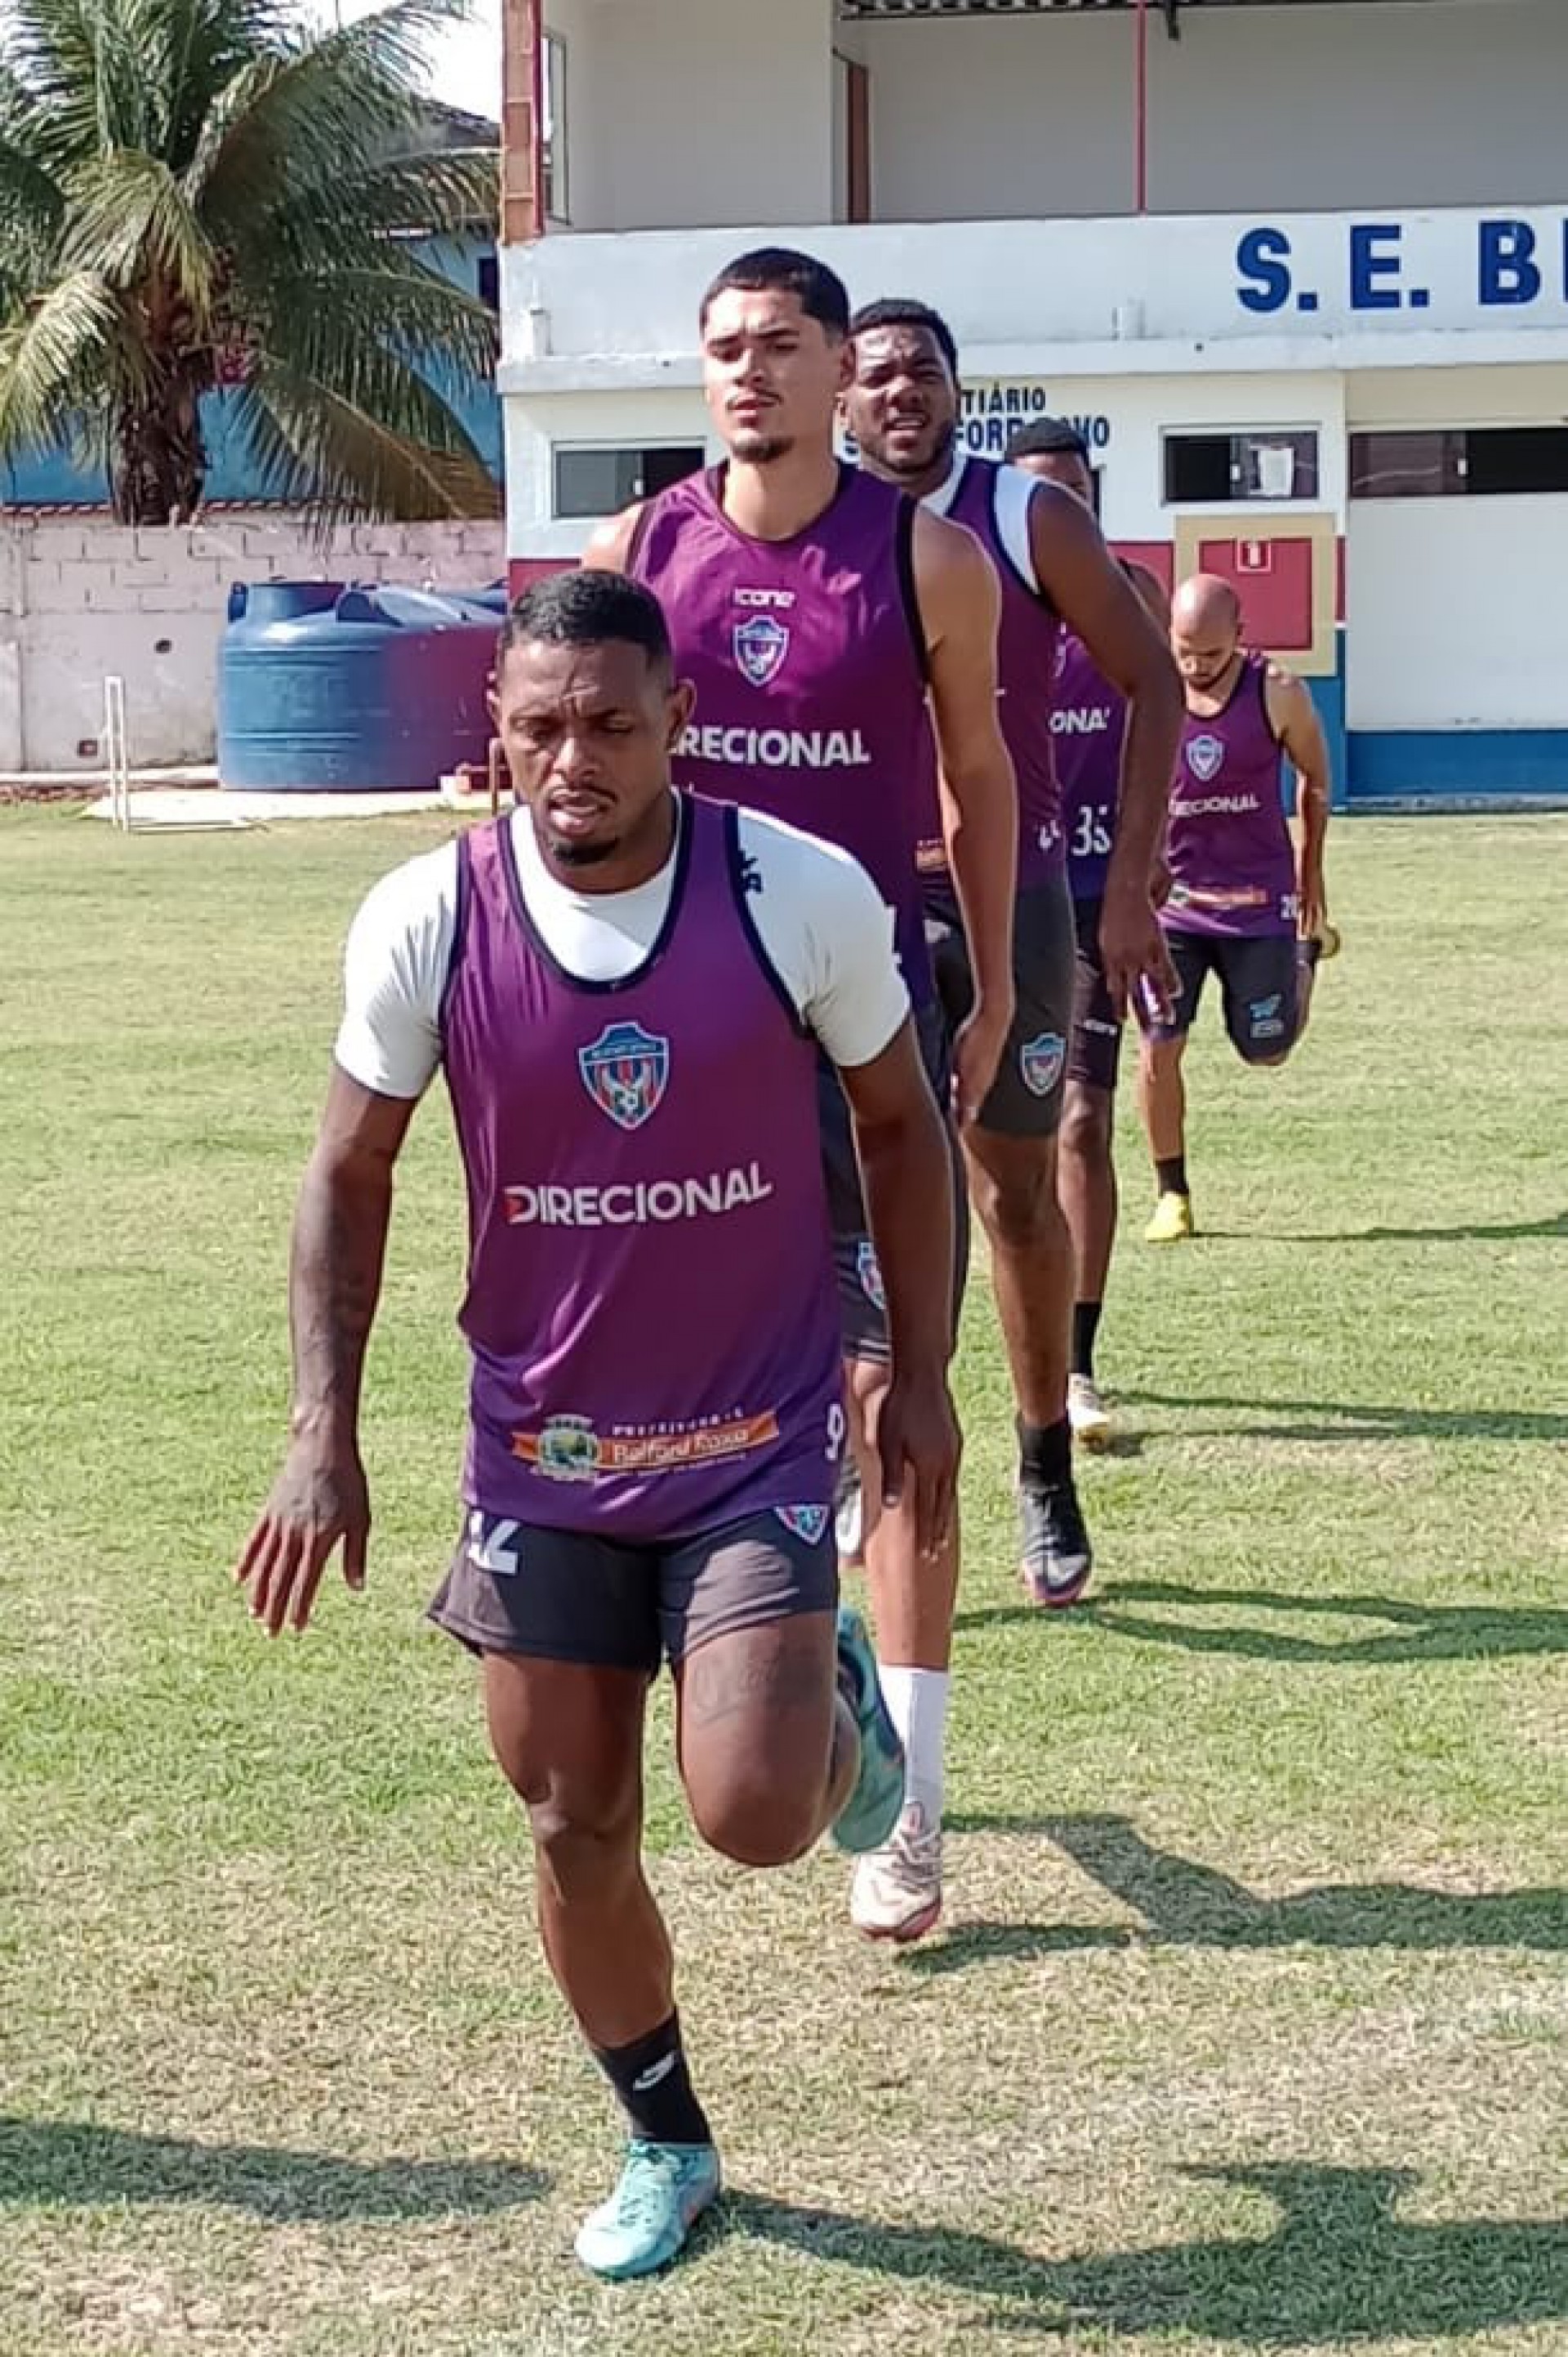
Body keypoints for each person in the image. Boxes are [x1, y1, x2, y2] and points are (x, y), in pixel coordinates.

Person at [233, 571, 961, 2279]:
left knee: (759, 1810)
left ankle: (836, 1709)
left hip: (751, 1433)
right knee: (572, 1823)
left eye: (613, 727)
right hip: (545, 1454)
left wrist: (912, 1365)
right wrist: (318, 1431)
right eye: (541, 726)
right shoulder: (431, 914)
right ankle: (668, 2144)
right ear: (497, 721)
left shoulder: (797, 891)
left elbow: (903, 1132)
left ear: (675, 729)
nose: (574, 762)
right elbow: (349, 1173)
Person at [584, 248, 1020, 1945]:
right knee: (665, 1402)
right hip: (678, 1061)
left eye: (778, 345)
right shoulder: (641, 552)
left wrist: (986, 991)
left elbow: (978, 779)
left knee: (905, 1401)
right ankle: (747, 1672)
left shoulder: (928, 558)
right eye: (721, 350)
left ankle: (906, 1803)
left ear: (844, 367)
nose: (746, 372)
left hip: (864, 1051)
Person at [844, 305, 1182, 1551]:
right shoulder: (807, 534)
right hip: (850, 908)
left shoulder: (1028, 519)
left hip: (1013, 904)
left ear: (955, 391)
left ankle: (1045, 1462)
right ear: (841, 396)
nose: (900, 394)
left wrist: (1134, 881)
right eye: (875, 376)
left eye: (922, 373)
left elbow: (1155, 680)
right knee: (846, 1208)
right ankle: (864, 1464)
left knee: (1015, 1197)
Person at [1002, 418, 1170, 1447]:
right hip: (990, 892)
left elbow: (1165, 710)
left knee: (1078, 1123)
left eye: (1071, 489)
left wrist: (1143, 876)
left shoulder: (1132, 601)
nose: (1055, 509)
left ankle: (1076, 1365)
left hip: (1091, 896)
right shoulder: (968, 588)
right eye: (1036, 492)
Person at [1141, 572, 1335, 1241]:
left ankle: (1305, 965)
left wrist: (1311, 883)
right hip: (1173, 911)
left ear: (1241, 640)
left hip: (1259, 904)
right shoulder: (1145, 686)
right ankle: (1172, 1193)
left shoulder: (1278, 692)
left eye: (1211, 656)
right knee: (1159, 1046)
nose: (1195, 667)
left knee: (1267, 1050)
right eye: (1184, 651)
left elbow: (1315, 779)